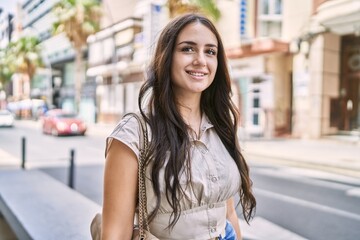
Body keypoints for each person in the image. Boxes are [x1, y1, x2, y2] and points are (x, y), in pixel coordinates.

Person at [101, 13, 256, 240]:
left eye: (210, 51)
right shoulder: (134, 133)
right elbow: (114, 235)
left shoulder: (221, 126)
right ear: (166, 57)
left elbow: (228, 211)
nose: (201, 60)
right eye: (187, 49)